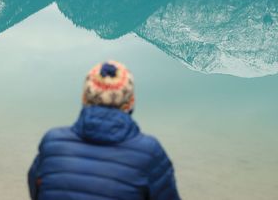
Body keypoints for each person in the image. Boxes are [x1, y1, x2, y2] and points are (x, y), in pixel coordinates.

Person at [28, 60, 181, 200]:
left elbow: (36, 190)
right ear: (130, 102)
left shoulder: (52, 143)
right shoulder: (150, 152)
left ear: (84, 97)